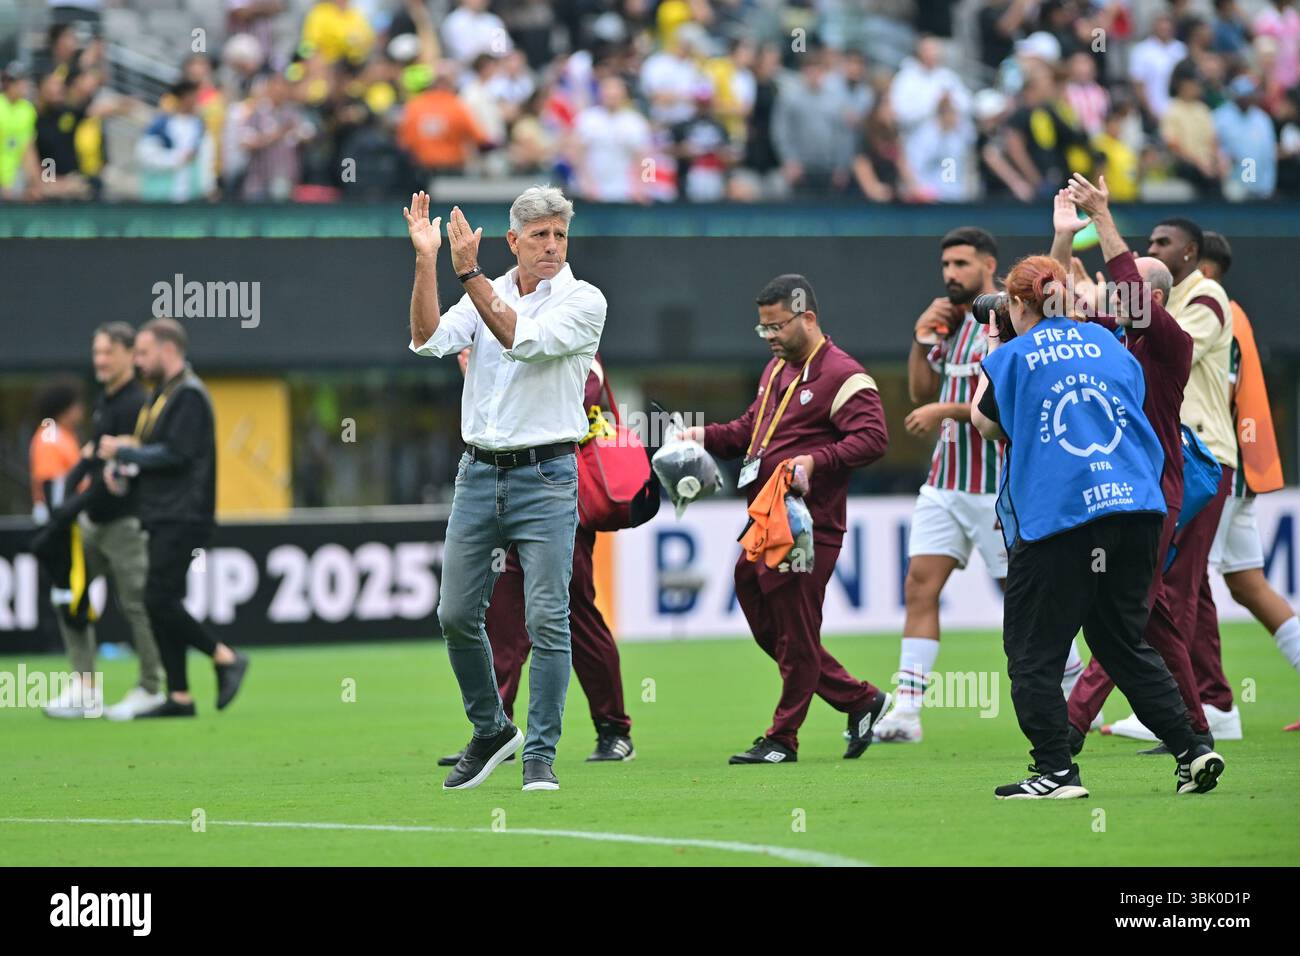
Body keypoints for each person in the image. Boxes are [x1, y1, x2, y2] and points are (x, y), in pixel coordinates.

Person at [971, 255, 1225, 798]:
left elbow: (987, 423)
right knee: (1121, 642)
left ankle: (1055, 771)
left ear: (1015, 305)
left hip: (1063, 517)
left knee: (1032, 652)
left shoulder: (1014, 355)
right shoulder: (1111, 344)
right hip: (1137, 509)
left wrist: (994, 347)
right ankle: (1191, 749)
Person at [405, 185, 606, 792]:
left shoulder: (584, 300)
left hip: (547, 476)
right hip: (478, 474)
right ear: (513, 241)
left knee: (548, 618)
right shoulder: (485, 289)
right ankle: (492, 729)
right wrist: (427, 261)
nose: (552, 246)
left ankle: (540, 753)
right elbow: (426, 339)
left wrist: (468, 273)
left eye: (560, 235)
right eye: (539, 235)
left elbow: (521, 339)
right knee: (455, 614)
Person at [682, 274, 891, 764]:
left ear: (808, 318)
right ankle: (859, 699)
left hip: (806, 526)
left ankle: (782, 739)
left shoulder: (844, 375)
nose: (770, 336)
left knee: (796, 633)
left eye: (777, 327)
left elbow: (874, 438)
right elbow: (749, 432)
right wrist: (701, 435)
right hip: (765, 522)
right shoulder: (777, 369)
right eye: (764, 328)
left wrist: (816, 461)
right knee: (765, 616)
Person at [1048, 176, 1202, 753]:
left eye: (1121, 292)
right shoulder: (1115, 339)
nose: (1110, 298)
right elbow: (1050, 311)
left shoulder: (1169, 344)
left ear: (1150, 301)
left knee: (1118, 616)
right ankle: (1196, 729)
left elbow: (1128, 287)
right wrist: (1064, 236)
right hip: (1119, 494)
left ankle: (1071, 725)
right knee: (1151, 614)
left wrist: (1103, 216)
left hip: (1153, 494)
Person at [437, 352, 640, 766]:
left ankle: (614, 729)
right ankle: (498, 729)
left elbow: (560, 407)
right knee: (503, 617)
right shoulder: (504, 348)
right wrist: (480, 374)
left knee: (573, 613)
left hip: (558, 500)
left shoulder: (577, 346)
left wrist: (488, 375)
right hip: (505, 494)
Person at [873, 228, 1017, 744]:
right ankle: (907, 712)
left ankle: (1074, 696)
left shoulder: (1007, 321)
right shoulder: (950, 322)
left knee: (1021, 597)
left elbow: (1007, 402)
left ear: (989, 265)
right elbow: (919, 391)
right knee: (919, 585)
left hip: (996, 486)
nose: (951, 274)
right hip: (945, 482)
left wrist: (946, 410)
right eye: (946, 265)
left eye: (961, 264)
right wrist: (920, 338)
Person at [1104, 216, 1237, 745]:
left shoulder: (1197, 306)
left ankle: (1150, 709)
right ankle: (1212, 707)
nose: (1154, 246)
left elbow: (1148, 316)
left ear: (1191, 252)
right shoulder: (1140, 324)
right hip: (1169, 466)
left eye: (1164, 242)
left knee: (1156, 595)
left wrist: (1104, 220)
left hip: (1197, 459)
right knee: (1189, 591)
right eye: (1151, 240)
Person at [97, 318, 249, 718]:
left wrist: (125, 453)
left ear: (168, 350)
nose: (138, 361)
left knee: (156, 598)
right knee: (162, 601)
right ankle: (180, 695)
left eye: (144, 353)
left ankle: (225, 657)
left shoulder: (188, 395)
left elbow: (176, 455)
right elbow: (156, 450)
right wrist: (126, 465)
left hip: (183, 514)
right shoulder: (164, 394)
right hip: (163, 512)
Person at [1195, 233, 1299, 732]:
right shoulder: (1231, 313)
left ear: (1201, 267)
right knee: (1247, 584)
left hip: (1218, 463)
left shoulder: (1215, 313)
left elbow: (1221, 392)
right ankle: (1203, 705)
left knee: (1181, 582)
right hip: (1237, 463)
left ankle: (1202, 706)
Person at [43, 323, 167, 720]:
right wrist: (70, 497)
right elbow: (94, 460)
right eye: (97, 352)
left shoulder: (136, 404)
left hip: (127, 523)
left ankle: (151, 687)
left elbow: (118, 476)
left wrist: (71, 506)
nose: (100, 360)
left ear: (130, 354)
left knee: (137, 606)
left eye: (108, 352)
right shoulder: (106, 401)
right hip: (94, 523)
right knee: (68, 592)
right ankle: (85, 687)